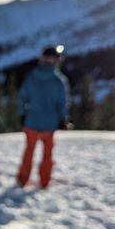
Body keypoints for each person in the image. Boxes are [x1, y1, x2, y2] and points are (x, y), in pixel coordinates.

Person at [17, 45, 70, 188]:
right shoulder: (59, 80)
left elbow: (22, 98)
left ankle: (23, 179)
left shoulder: (31, 76)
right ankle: (44, 181)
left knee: (29, 151)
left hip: (31, 121)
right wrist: (63, 119)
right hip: (50, 124)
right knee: (47, 154)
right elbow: (62, 103)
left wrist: (22, 115)